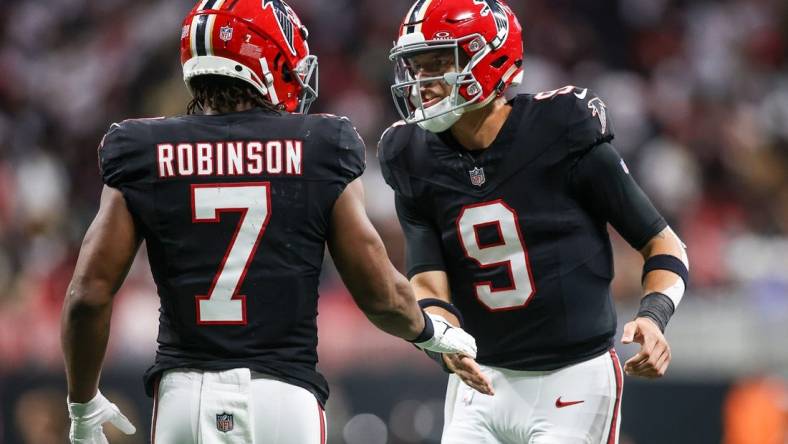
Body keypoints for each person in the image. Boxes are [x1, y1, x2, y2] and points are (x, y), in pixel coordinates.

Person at [60, 1, 482, 443]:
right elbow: (379, 294)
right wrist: (432, 332)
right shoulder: (320, 144)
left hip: (183, 399)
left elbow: (87, 295)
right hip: (281, 398)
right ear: (267, 59)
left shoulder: (141, 147)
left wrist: (83, 404)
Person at [378, 0, 691, 442]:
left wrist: (654, 316)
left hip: (574, 378)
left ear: (489, 61)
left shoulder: (560, 128)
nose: (421, 83)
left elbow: (663, 243)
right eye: (415, 66)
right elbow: (428, 281)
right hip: (479, 381)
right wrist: (442, 343)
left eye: (437, 64)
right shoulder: (409, 155)